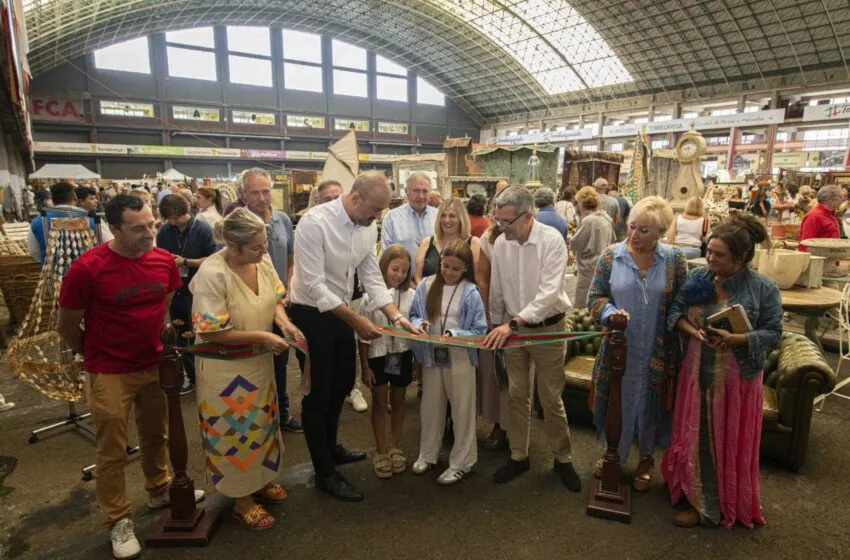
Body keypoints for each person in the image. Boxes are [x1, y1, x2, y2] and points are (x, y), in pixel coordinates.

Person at [56, 195, 204, 560]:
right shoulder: (87, 268)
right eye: (138, 228)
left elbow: (164, 303)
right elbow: (67, 326)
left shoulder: (163, 261)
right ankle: (118, 519)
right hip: (108, 369)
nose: (149, 233)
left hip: (154, 363)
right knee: (112, 446)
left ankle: (158, 488)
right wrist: (94, 353)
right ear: (115, 228)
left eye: (151, 224)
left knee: (158, 432)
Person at [288, 170, 416, 502]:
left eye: (381, 211)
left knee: (343, 382)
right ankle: (325, 473)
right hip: (311, 314)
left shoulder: (366, 224)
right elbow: (314, 286)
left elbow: (372, 275)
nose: (377, 217)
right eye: (374, 209)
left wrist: (396, 315)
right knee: (318, 393)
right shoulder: (314, 223)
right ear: (355, 197)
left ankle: (330, 448)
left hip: (341, 310)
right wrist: (357, 321)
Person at [662, 214, 782, 529]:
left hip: (737, 379)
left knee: (727, 439)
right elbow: (674, 312)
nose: (711, 258)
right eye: (709, 251)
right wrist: (692, 330)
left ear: (741, 257)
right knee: (696, 435)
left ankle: (715, 505)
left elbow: (774, 333)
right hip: (696, 370)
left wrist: (738, 338)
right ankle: (694, 494)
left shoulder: (763, 288)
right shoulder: (699, 277)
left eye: (719, 255)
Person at [190, 208, 303, 531]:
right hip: (224, 372)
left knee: (263, 426)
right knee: (234, 431)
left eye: (264, 243)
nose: (264, 250)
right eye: (256, 246)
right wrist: (264, 336)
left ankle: (261, 482)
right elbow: (212, 331)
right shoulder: (212, 274)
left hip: (258, 363)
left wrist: (284, 324)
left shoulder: (260, 262)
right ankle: (241, 500)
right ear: (234, 247)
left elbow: (276, 301)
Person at [483, 186, 581, 491]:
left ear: (528, 216)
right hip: (513, 329)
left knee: (550, 398)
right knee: (517, 394)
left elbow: (548, 293)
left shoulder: (552, 241)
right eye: (498, 220)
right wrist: (496, 323)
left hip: (549, 328)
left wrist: (511, 324)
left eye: (507, 221)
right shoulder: (501, 243)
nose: (501, 227)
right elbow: (497, 288)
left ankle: (562, 458)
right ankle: (518, 455)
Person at [587, 196, 687, 490]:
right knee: (616, 398)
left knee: (650, 404)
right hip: (618, 347)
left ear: (661, 232)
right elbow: (594, 297)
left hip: (657, 350)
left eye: (644, 230)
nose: (634, 235)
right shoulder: (610, 256)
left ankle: (646, 459)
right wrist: (609, 313)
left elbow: (683, 300)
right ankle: (611, 453)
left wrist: (678, 320)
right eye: (631, 227)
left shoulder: (674, 260)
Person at [409, 239, 487, 485]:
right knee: (430, 406)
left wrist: (456, 335)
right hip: (432, 354)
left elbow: (480, 330)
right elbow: (414, 315)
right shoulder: (425, 285)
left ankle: (462, 462)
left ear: (465, 268)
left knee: (463, 410)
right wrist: (417, 324)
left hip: (460, 356)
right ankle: (428, 454)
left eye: (455, 268)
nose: (449, 272)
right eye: (445, 266)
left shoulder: (470, 292)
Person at [240, 168, 302, 434]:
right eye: (255, 192)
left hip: (282, 304)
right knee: (253, 364)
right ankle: (256, 416)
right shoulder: (238, 223)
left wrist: (288, 287)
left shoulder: (283, 220)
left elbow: (290, 258)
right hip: (251, 307)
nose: (262, 197)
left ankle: (283, 414)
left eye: (266, 191)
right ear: (244, 194)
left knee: (280, 361)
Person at [311, 179, 369, 413]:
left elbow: (367, 267)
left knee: (351, 350)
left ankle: (352, 388)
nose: (335, 204)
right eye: (329, 199)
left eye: (338, 197)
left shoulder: (358, 225)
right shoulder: (314, 224)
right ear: (318, 201)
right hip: (317, 307)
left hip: (350, 296)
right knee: (321, 374)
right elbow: (315, 282)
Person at [358, 245, 415, 478]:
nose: (399, 274)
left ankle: (394, 446)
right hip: (377, 357)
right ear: (383, 267)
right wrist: (365, 366)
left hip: (401, 355)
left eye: (404, 270)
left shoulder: (412, 296)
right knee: (380, 403)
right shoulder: (370, 298)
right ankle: (380, 450)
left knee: (399, 401)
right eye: (395, 269)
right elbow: (361, 337)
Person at [155, 194, 217, 394]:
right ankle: (189, 376)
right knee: (181, 336)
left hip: (199, 289)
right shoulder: (164, 232)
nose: (174, 221)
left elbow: (213, 259)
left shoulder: (202, 229)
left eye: (177, 217)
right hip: (176, 291)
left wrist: (185, 262)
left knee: (201, 333)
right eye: (169, 218)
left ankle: (204, 375)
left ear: (187, 210)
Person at [28, 182, 103, 264]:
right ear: (74, 197)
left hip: (52, 272)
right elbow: (103, 244)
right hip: (85, 271)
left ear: (52, 199)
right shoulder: (91, 219)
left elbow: (33, 252)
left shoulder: (38, 221)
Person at [570, 186, 616, 309]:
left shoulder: (588, 221)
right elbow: (613, 240)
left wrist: (570, 240)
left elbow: (575, 243)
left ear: (582, 203)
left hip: (588, 267)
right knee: (598, 301)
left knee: (582, 304)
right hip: (603, 264)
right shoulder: (606, 218)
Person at [415, 198, 480, 283]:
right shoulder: (426, 243)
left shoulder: (474, 243)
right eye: (443, 215)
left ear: (461, 219)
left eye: (452, 216)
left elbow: (478, 279)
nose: (446, 220)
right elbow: (418, 277)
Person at [381, 172, 438, 266]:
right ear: (406, 191)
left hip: (434, 279)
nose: (421, 196)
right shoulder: (392, 218)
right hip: (402, 279)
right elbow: (386, 256)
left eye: (425, 191)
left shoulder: (439, 216)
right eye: (416, 191)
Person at [800, 184, 842, 251]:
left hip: (831, 259)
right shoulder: (814, 216)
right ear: (830, 199)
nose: (841, 200)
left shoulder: (831, 215)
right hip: (819, 260)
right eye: (840, 196)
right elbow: (806, 244)